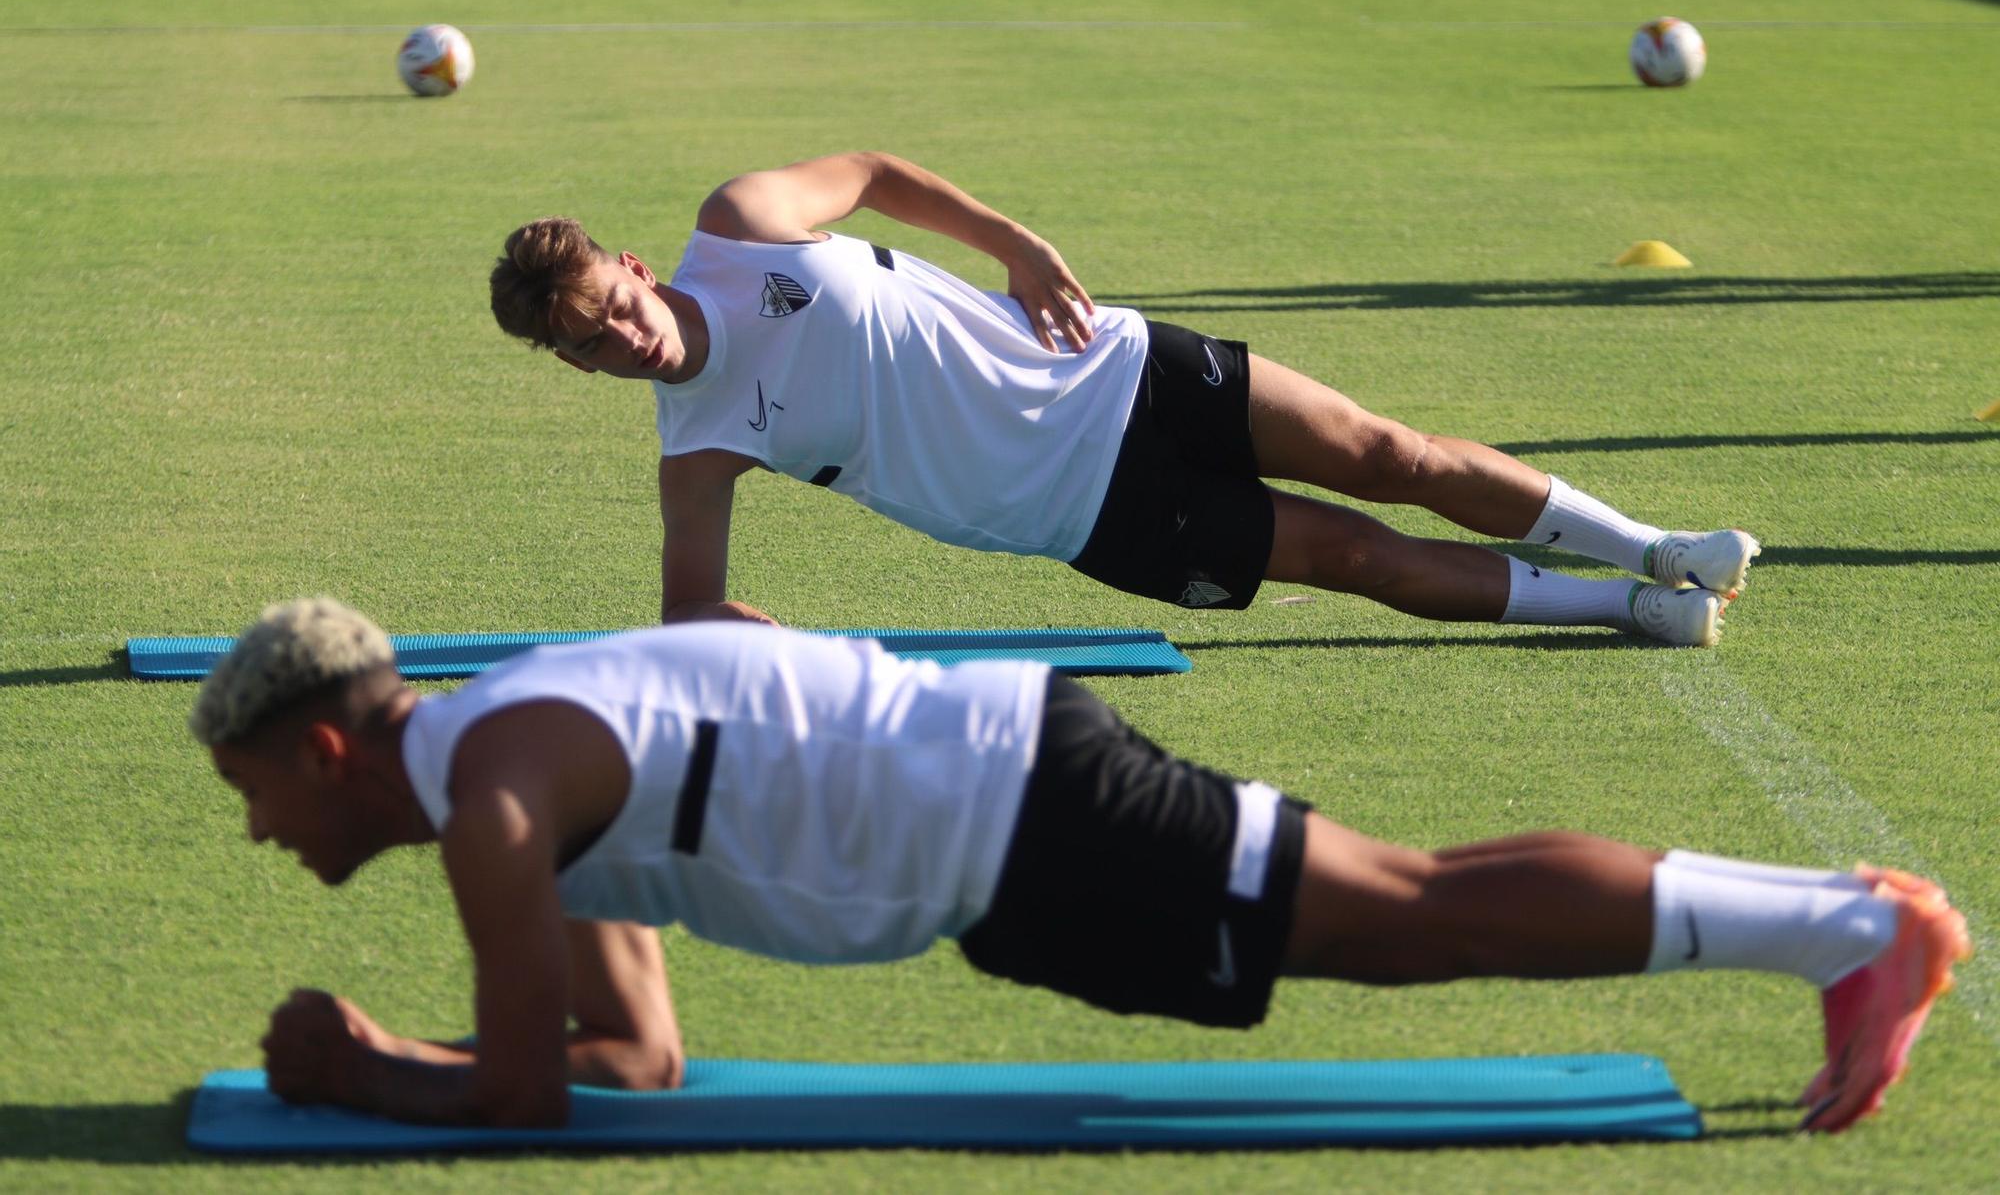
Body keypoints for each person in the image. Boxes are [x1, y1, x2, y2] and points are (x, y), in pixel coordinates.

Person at [194, 599, 1966, 1133]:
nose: (262, 832)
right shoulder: (508, 758)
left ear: (326, 746)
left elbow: (519, 1090)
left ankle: (1845, 928)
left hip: (1023, 812)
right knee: (1403, 909)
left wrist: (360, 1068)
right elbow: (627, 1058)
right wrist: (415, 1064)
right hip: (1007, 823)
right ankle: (1838, 926)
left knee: (1412, 918)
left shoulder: (495, 795)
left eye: (258, 792)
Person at [488, 152, 1760, 646]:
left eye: (616, 304)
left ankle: (1657, 545)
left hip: (1112, 364)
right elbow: (690, 611)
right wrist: (784, 649)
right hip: (1078, 512)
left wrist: (1016, 244)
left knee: (1389, 450)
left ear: (635, 268)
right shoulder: (694, 448)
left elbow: (871, 173)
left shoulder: (743, 225)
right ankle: (1631, 608)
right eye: (594, 347)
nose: (628, 339)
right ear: (574, 369)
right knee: (1354, 554)